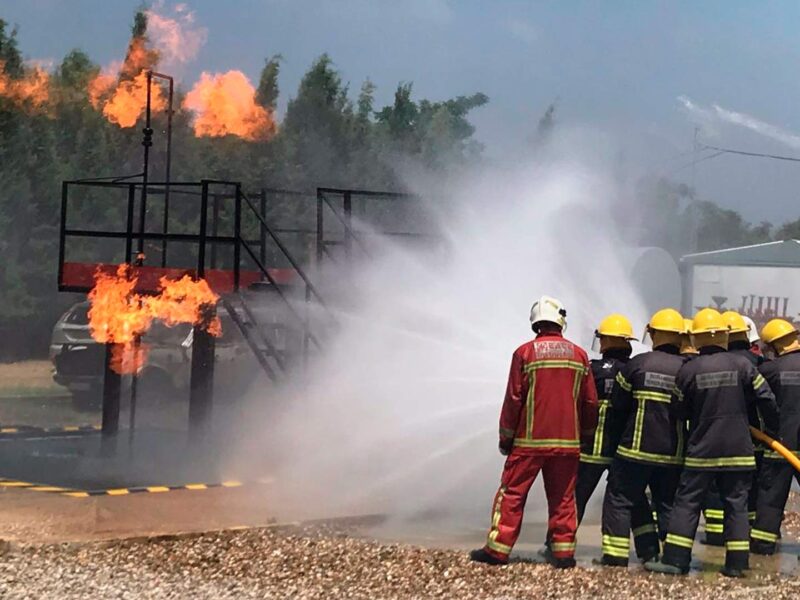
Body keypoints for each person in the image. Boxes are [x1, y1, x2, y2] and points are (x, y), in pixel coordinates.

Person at [645, 308, 779, 578]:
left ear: (696, 338)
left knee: (687, 502)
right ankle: (737, 564)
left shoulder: (688, 370)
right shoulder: (744, 366)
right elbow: (767, 399)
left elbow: (677, 410)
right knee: (736, 505)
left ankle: (676, 560)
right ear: (725, 337)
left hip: (701, 451)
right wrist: (771, 432)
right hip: (739, 450)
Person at [470, 296, 598, 569]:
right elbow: (589, 403)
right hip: (567, 444)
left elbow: (513, 400)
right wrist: (586, 436)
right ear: (560, 320)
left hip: (528, 442)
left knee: (512, 494)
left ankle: (498, 550)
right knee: (564, 498)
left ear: (536, 322)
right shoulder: (579, 356)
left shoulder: (524, 353)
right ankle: (563, 554)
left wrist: (506, 438)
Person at [600, 308, 686, 567]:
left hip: (634, 452)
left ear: (654, 334)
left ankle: (615, 557)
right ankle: (670, 557)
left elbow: (618, 405)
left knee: (620, 499)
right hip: (673, 454)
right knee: (668, 504)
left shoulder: (638, 364)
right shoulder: (687, 370)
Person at [574, 314, 657, 561]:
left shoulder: (591, 369)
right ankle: (649, 549)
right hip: (624, 449)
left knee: (576, 498)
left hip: (590, 449)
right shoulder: (634, 369)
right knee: (636, 500)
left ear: (607, 341)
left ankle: (558, 543)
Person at [701, 311, 766, 546]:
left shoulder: (712, 365)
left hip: (713, 437)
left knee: (716, 488)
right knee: (749, 489)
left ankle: (716, 533)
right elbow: (767, 400)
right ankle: (749, 535)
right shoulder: (760, 364)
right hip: (754, 439)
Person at [750, 318, 800, 555]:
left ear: (774, 346)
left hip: (778, 445)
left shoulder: (768, 370)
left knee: (770, 498)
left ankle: (763, 545)